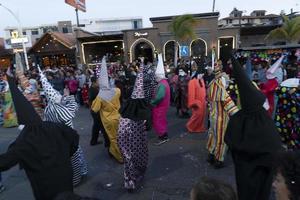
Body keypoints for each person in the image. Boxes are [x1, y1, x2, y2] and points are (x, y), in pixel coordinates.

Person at [0, 73, 79, 200]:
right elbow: (74, 138)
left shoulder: (22, 142)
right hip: (65, 179)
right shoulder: (55, 127)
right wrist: (65, 155)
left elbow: (4, 162)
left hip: (45, 187)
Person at [225, 57, 282, 200]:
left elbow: (229, 140)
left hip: (244, 171)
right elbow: (276, 147)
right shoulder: (265, 120)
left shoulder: (238, 119)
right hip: (263, 174)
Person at [39, 67, 88, 186]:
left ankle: (72, 177)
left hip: (57, 139)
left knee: (66, 159)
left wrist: (64, 98)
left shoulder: (48, 108)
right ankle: (75, 180)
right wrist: (68, 96)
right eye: (56, 95)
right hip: (67, 138)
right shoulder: (57, 108)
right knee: (73, 159)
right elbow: (72, 109)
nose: (58, 95)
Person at [118, 65, 151, 192]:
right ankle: (135, 177)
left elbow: (120, 136)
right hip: (137, 147)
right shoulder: (141, 116)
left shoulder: (124, 116)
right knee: (137, 160)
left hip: (128, 147)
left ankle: (131, 180)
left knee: (129, 162)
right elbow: (147, 128)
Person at [206, 60, 238, 169]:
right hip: (221, 118)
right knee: (221, 139)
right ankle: (218, 159)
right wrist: (238, 115)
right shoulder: (221, 90)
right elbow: (229, 105)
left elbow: (208, 103)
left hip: (212, 116)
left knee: (212, 135)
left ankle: (211, 154)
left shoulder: (211, 86)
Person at [91, 57, 123, 163]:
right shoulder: (116, 90)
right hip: (118, 117)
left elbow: (94, 109)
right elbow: (119, 92)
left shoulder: (100, 96)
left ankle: (119, 156)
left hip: (108, 121)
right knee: (120, 137)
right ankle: (124, 153)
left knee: (112, 139)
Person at [151, 54, 171, 146]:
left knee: (158, 121)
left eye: (156, 77)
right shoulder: (164, 82)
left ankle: (163, 137)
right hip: (164, 106)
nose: (155, 78)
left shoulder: (161, 84)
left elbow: (159, 97)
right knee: (162, 120)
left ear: (159, 76)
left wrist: (152, 102)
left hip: (160, 106)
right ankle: (164, 135)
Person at [274, 78, 300, 150]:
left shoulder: (282, 90)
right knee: (291, 133)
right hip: (290, 118)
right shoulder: (289, 92)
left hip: (286, 118)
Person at [88, 76, 107, 146]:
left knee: (96, 126)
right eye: (97, 81)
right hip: (96, 110)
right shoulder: (94, 91)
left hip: (94, 110)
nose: (99, 83)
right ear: (94, 82)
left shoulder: (93, 89)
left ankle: (94, 141)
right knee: (101, 126)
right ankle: (107, 143)